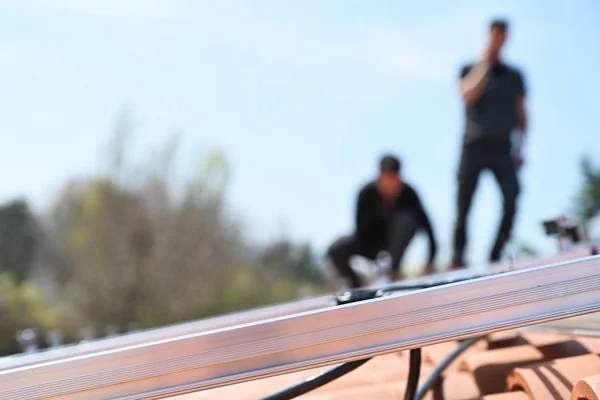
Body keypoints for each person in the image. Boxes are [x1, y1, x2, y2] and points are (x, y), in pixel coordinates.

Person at [451, 19, 528, 268]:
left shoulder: (514, 76)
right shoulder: (470, 68)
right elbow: (466, 94)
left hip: (503, 147)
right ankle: (457, 258)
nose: (498, 40)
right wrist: (484, 62)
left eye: (502, 36)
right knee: (463, 206)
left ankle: (495, 254)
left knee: (512, 198)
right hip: (473, 145)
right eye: (494, 36)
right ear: (488, 36)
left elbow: (522, 113)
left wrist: (521, 147)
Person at [327, 154, 437, 288]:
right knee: (336, 249)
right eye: (387, 179)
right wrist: (374, 263)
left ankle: (393, 271)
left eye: (394, 179)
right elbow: (360, 231)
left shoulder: (409, 194)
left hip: (395, 244)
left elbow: (428, 228)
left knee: (407, 219)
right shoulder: (365, 194)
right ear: (379, 177)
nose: (391, 185)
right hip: (370, 244)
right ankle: (356, 286)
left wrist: (430, 261)